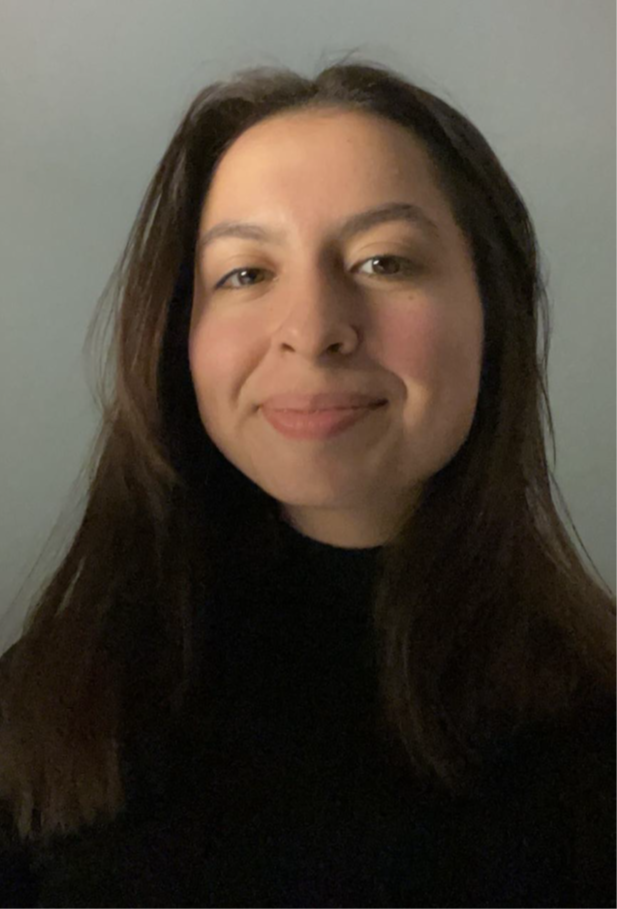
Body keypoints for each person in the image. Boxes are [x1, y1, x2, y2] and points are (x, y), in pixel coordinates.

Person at [1, 54, 616, 907]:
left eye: (383, 262)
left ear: (493, 312)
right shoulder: (45, 708)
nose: (314, 329)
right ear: (181, 335)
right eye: (246, 273)